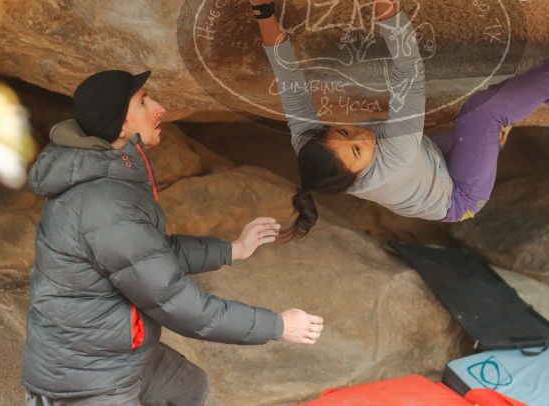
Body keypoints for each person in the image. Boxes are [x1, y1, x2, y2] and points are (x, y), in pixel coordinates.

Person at [240, 0, 549, 240]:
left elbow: (287, 78)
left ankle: (483, 145)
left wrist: (263, 8)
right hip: (458, 195)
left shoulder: (308, 141)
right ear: (358, 173)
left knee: (472, 130)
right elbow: (410, 71)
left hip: (430, 161)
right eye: (358, 151)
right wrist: (381, 1)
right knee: (481, 114)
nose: (363, 136)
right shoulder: (394, 156)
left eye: (344, 131)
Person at [22, 69, 323, 405]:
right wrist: (277, 325)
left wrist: (233, 249)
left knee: (185, 387)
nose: (160, 106)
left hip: (113, 352)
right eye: (143, 101)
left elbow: (148, 256)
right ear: (120, 127)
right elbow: (174, 301)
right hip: (88, 375)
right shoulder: (104, 205)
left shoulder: (109, 182)